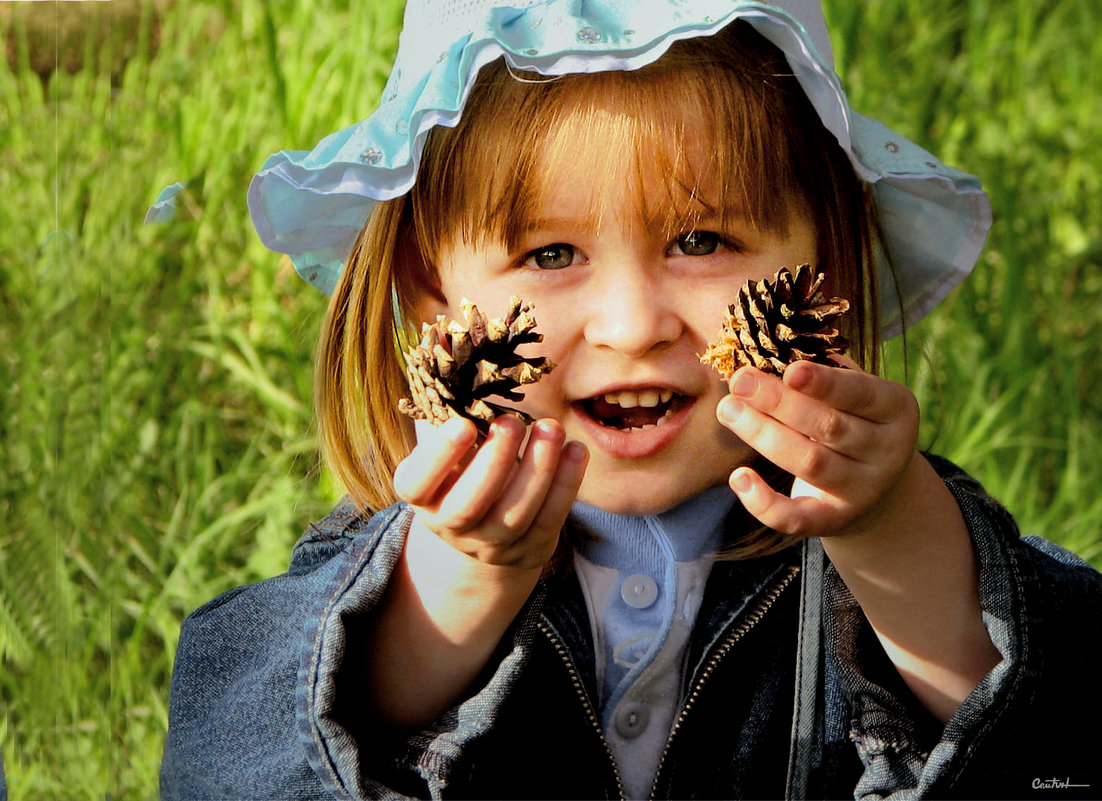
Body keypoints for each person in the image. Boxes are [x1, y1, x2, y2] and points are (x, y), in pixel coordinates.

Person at [159, 1, 1102, 798]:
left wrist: (894, 534)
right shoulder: (395, 569)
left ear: (823, 259)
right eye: (551, 255)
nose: (630, 324)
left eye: (701, 240)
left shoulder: (878, 534)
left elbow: (1059, 733)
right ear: (429, 284)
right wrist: (457, 582)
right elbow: (225, 753)